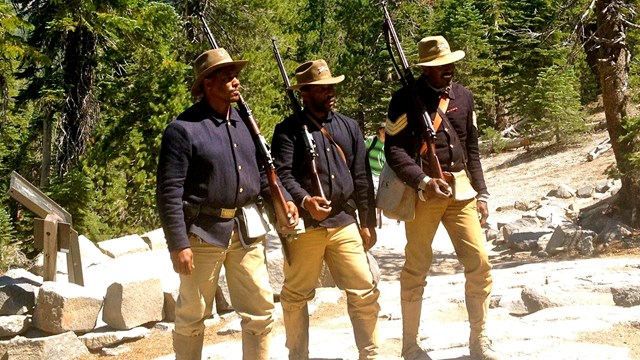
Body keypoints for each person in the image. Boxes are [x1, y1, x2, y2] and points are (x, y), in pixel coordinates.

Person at [156, 48, 299, 360]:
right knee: (192, 315)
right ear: (208, 84)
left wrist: (283, 201)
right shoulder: (183, 129)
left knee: (261, 311)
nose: (236, 83)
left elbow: (262, 174)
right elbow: (169, 192)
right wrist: (178, 243)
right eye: (228, 77)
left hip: (246, 231)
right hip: (202, 235)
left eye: (236, 77)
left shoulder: (245, 125)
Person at [385, 36, 499, 360]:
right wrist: (422, 181)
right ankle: (410, 347)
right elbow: (394, 151)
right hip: (423, 194)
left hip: (461, 191)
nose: (447, 69)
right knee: (416, 269)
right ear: (425, 69)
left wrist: (483, 193)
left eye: (449, 63)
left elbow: (472, 149)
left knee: (480, 263)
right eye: (439, 66)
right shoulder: (404, 99)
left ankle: (480, 341)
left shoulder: (464, 96)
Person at [271, 59, 381, 360]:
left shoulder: (349, 126)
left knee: (364, 290)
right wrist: (306, 201)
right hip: (307, 227)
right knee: (294, 297)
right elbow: (281, 176)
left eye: (331, 86)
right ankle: (298, 355)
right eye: (321, 89)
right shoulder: (288, 130)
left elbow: (361, 176)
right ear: (305, 93)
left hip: (345, 221)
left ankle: (370, 354)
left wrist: (367, 220)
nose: (330, 92)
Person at [365, 122, 386, 228]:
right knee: (372, 195)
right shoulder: (372, 140)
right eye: (383, 130)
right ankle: (373, 218)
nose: (384, 132)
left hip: (382, 174)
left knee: (380, 197)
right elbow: (361, 151)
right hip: (370, 173)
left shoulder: (389, 145)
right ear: (380, 131)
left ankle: (379, 216)